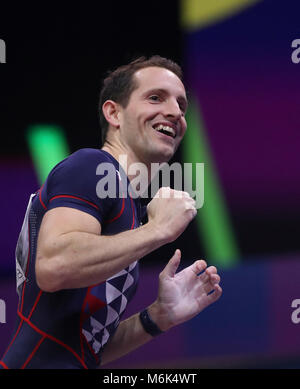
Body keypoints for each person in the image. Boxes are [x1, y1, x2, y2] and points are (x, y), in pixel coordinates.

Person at [0, 56, 222, 369]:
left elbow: (83, 347)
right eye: (155, 97)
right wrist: (157, 230)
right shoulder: (92, 165)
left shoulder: (126, 205)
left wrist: (158, 316)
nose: (175, 112)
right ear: (113, 112)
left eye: (181, 105)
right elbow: (53, 265)